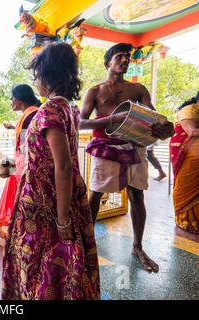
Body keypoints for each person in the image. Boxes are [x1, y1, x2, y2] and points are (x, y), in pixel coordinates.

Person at [2, 43, 100, 300]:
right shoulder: (68, 108)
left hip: (46, 201)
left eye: (36, 76)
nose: (35, 82)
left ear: (48, 75)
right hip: (58, 197)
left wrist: (62, 218)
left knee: (42, 259)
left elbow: (64, 165)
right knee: (64, 260)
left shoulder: (49, 111)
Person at [79, 43, 174, 272]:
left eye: (127, 57)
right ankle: (85, 245)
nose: (125, 60)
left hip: (134, 147)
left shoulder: (138, 89)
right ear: (107, 63)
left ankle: (138, 246)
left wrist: (165, 128)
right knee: (96, 196)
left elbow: (153, 116)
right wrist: (113, 118)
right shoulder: (95, 91)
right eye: (119, 56)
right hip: (105, 147)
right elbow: (81, 123)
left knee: (136, 195)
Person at [0, 84, 40, 239]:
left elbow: (29, 145)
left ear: (20, 99)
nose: (10, 101)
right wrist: (14, 128)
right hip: (22, 161)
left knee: (21, 196)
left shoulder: (31, 114)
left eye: (12, 98)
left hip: (25, 163)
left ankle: (23, 230)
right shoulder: (29, 113)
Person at [169, 92, 199, 235]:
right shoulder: (190, 109)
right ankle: (187, 220)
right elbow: (192, 132)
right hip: (189, 155)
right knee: (187, 187)